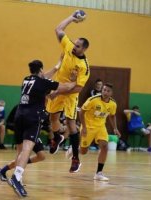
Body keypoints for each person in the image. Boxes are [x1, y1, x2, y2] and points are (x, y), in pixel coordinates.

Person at [5, 59, 76, 197]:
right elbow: (66, 87)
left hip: (19, 115)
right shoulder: (43, 82)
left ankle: (17, 176)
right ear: (41, 70)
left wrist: (56, 66)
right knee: (27, 148)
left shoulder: (26, 79)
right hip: (32, 117)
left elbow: (43, 79)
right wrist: (75, 81)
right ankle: (17, 177)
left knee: (20, 150)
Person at [46, 11, 90, 173]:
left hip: (70, 95)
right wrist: (72, 18)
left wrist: (59, 92)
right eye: (75, 43)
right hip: (58, 86)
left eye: (78, 46)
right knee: (53, 117)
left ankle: (75, 158)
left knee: (71, 124)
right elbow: (58, 29)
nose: (74, 47)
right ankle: (57, 137)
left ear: (84, 49)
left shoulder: (84, 67)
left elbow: (77, 88)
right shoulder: (69, 46)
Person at [79, 83, 121, 181]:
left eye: (108, 91)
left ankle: (99, 173)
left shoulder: (113, 104)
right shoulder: (92, 100)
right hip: (88, 127)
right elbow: (81, 112)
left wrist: (115, 128)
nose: (105, 92)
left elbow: (112, 115)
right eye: (104, 90)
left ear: (111, 93)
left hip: (101, 127)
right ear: (101, 90)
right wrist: (84, 127)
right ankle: (74, 150)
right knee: (83, 151)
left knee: (105, 147)